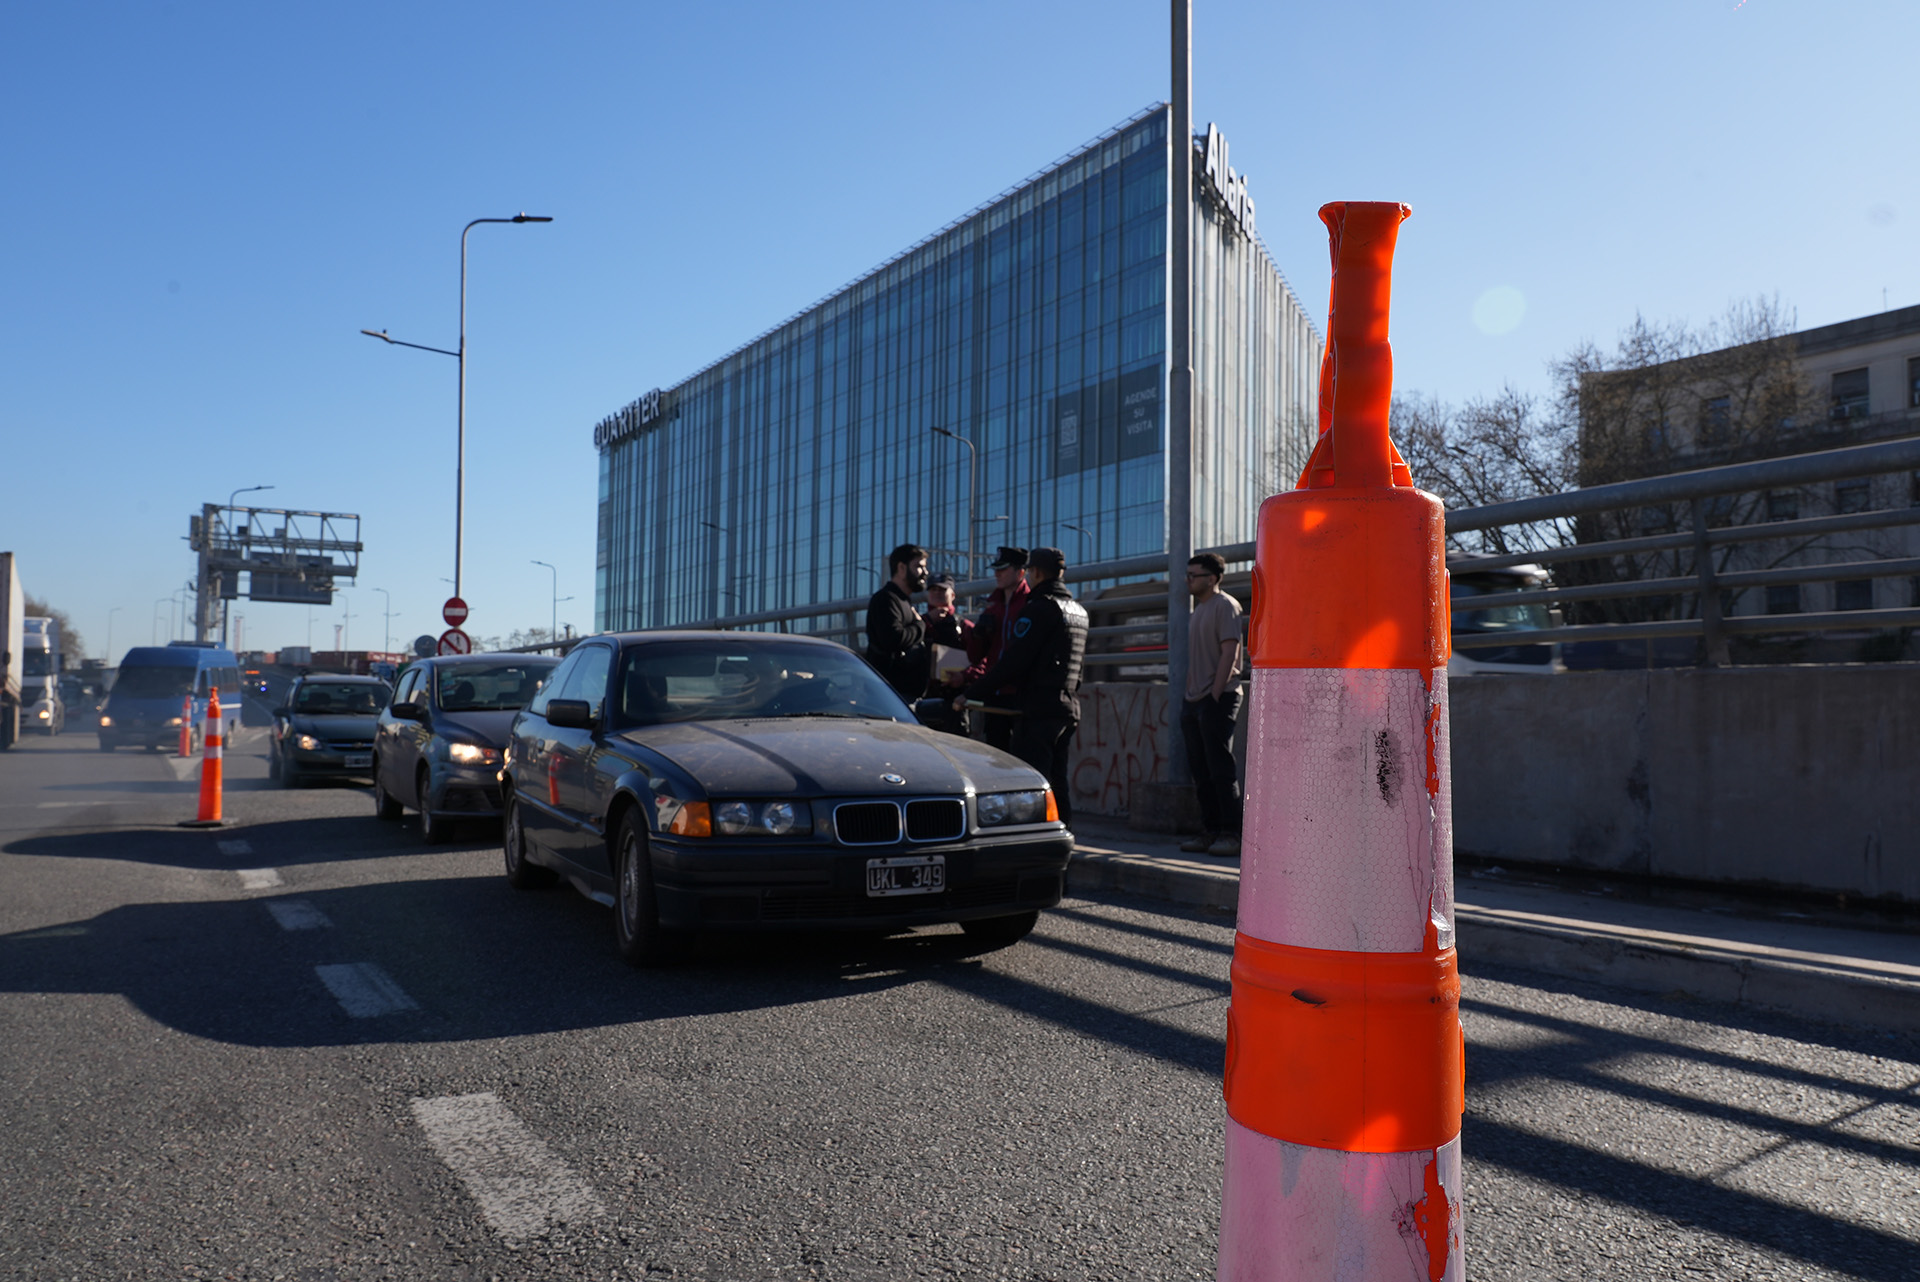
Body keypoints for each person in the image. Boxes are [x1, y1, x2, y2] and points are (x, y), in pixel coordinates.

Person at [959, 546, 1087, 826]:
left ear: (1036, 572)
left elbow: (1014, 661)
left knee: (1035, 781)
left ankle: (1039, 837)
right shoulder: (1078, 611)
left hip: (1039, 708)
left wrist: (971, 693)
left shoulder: (1040, 608)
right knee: (1058, 780)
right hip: (1067, 707)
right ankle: (1063, 832)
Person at [1178, 552, 1245, 858]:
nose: (1188, 580)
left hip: (1218, 697)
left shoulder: (1225, 605)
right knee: (1200, 770)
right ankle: (1211, 831)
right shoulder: (1198, 611)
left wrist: (1215, 695)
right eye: (1188, 574)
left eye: (1194, 575)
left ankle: (1231, 834)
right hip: (1194, 699)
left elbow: (1229, 653)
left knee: (1220, 768)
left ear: (1213, 578)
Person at [963, 546, 1031, 752]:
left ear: (1021, 572)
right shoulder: (993, 607)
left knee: (1022, 755)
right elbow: (975, 657)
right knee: (996, 754)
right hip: (994, 695)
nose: (997, 574)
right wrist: (977, 635)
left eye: (1003, 569)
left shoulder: (1031, 604)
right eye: (996, 569)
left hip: (1021, 695)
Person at [865, 543, 929, 701]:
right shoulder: (886, 599)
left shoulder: (903, 601)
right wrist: (920, 626)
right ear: (901, 568)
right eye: (919, 567)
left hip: (901, 695)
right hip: (889, 695)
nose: (925, 573)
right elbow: (894, 638)